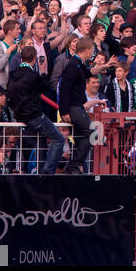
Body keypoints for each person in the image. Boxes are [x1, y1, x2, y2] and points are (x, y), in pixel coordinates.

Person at [8, 45, 65, 175]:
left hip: (20, 115)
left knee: (41, 141)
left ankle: (40, 171)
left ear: (21, 58)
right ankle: (47, 172)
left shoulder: (12, 75)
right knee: (59, 139)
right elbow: (45, 87)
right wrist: (44, 72)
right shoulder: (32, 75)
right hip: (34, 115)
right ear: (34, 59)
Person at [57, 35, 95, 173]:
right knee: (92, 132)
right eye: (91, 50)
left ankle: (76, 167)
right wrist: (64, 111)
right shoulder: (73, 65)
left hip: (76, 106)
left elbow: (88, 73)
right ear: (86, 49)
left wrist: (104, 65)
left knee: (81, 137)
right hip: (73, 107)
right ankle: (74, 164)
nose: (92, 53)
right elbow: (64, 89)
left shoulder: (78, 64)